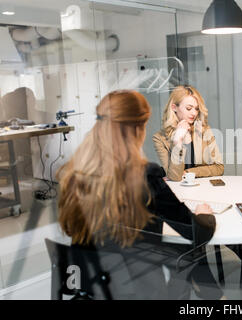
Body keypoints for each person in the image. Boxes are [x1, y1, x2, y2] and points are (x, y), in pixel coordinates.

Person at [57, 89, 224, 299]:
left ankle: (213, 295)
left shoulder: (75, 175)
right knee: (184, 252)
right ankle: (215, 296)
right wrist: (203, 215)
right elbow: (198, 234)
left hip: (95, 290)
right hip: (138, 292)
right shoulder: (145, 176)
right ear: (138, 129)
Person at [153, 85, 224, 181]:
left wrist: (187, 172)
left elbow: (219, 168)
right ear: (174, 107)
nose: (194, 113)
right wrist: (177, 143)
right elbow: (174, 176)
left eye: (197, 108)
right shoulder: (159, 138)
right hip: (178, 191)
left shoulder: (204, 130)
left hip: (203, 188)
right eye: (189, 108)